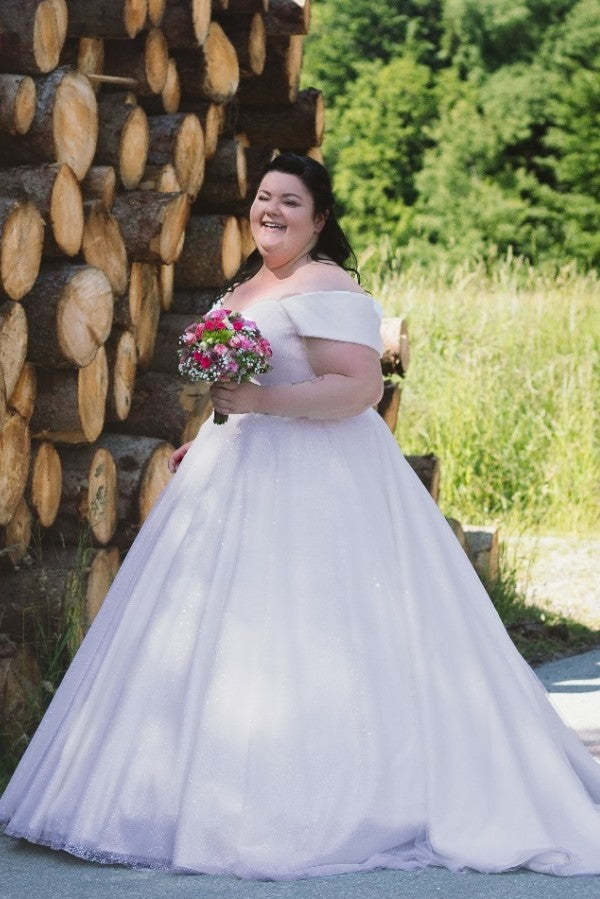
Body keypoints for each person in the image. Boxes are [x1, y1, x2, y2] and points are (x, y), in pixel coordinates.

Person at [1, 152, 600, 881]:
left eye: (290, 201)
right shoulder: (245, 287)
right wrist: (207, 436)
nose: (271, 210)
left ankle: (324, 803)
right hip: (236, 471)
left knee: (316, 633)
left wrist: (262, 406)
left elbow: (357, 388)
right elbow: (241, 386)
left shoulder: (327, 286)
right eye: (263, 198)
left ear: (318, 220)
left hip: (324, 482)